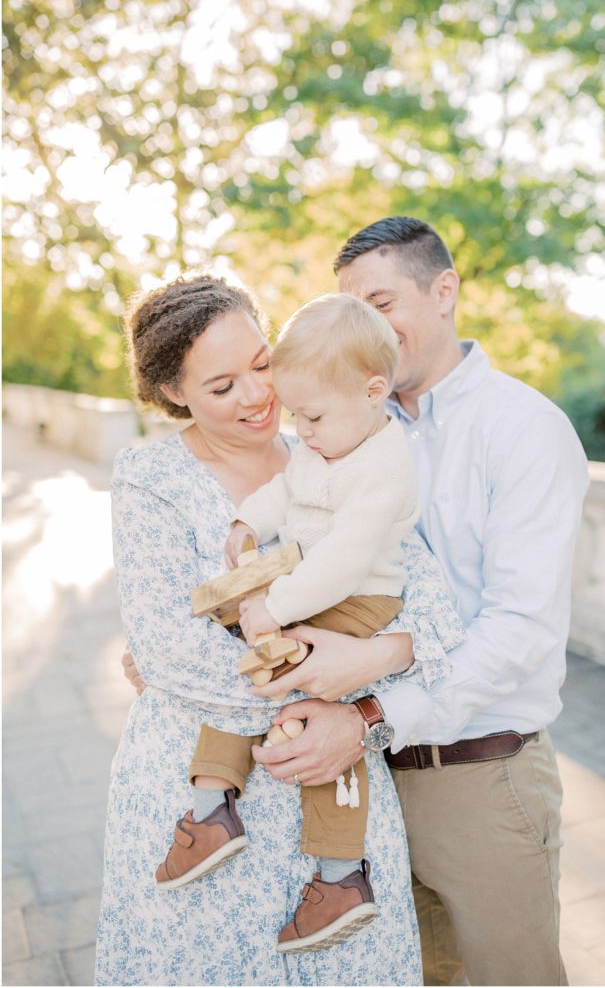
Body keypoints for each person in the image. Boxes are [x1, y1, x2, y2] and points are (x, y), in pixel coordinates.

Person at [243, 217, 589, 987]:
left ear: (444, 291)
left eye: (382, 301)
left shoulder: (524, 430)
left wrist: (369, 709)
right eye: (350, 308)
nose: (366, 326)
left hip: (480, 779)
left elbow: (520, 632)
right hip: (374, 784)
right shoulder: (341, 428)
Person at [96, 272, 463, 986]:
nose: (259, 396)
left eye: (261, 364)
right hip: (196, 790)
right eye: (222, 385)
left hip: (336, 770)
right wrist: (318, 698)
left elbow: (435, 619)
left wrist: (360, 694)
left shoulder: (335, 449)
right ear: (174, 393)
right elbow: (171, 652)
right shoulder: (149, 480)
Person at [156, 292, 425, 956]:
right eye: (296, 415)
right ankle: (213, 804)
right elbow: (289, 488)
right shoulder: (328, 437)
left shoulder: (386, 467)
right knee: (244, 662)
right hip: (304, 581)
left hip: (356, 601)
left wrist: (272, 610)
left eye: (311, 416)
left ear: (372, 391)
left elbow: (342, 562)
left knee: (302, 699)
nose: (299, 431)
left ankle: (339, 875)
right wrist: (249, 519)